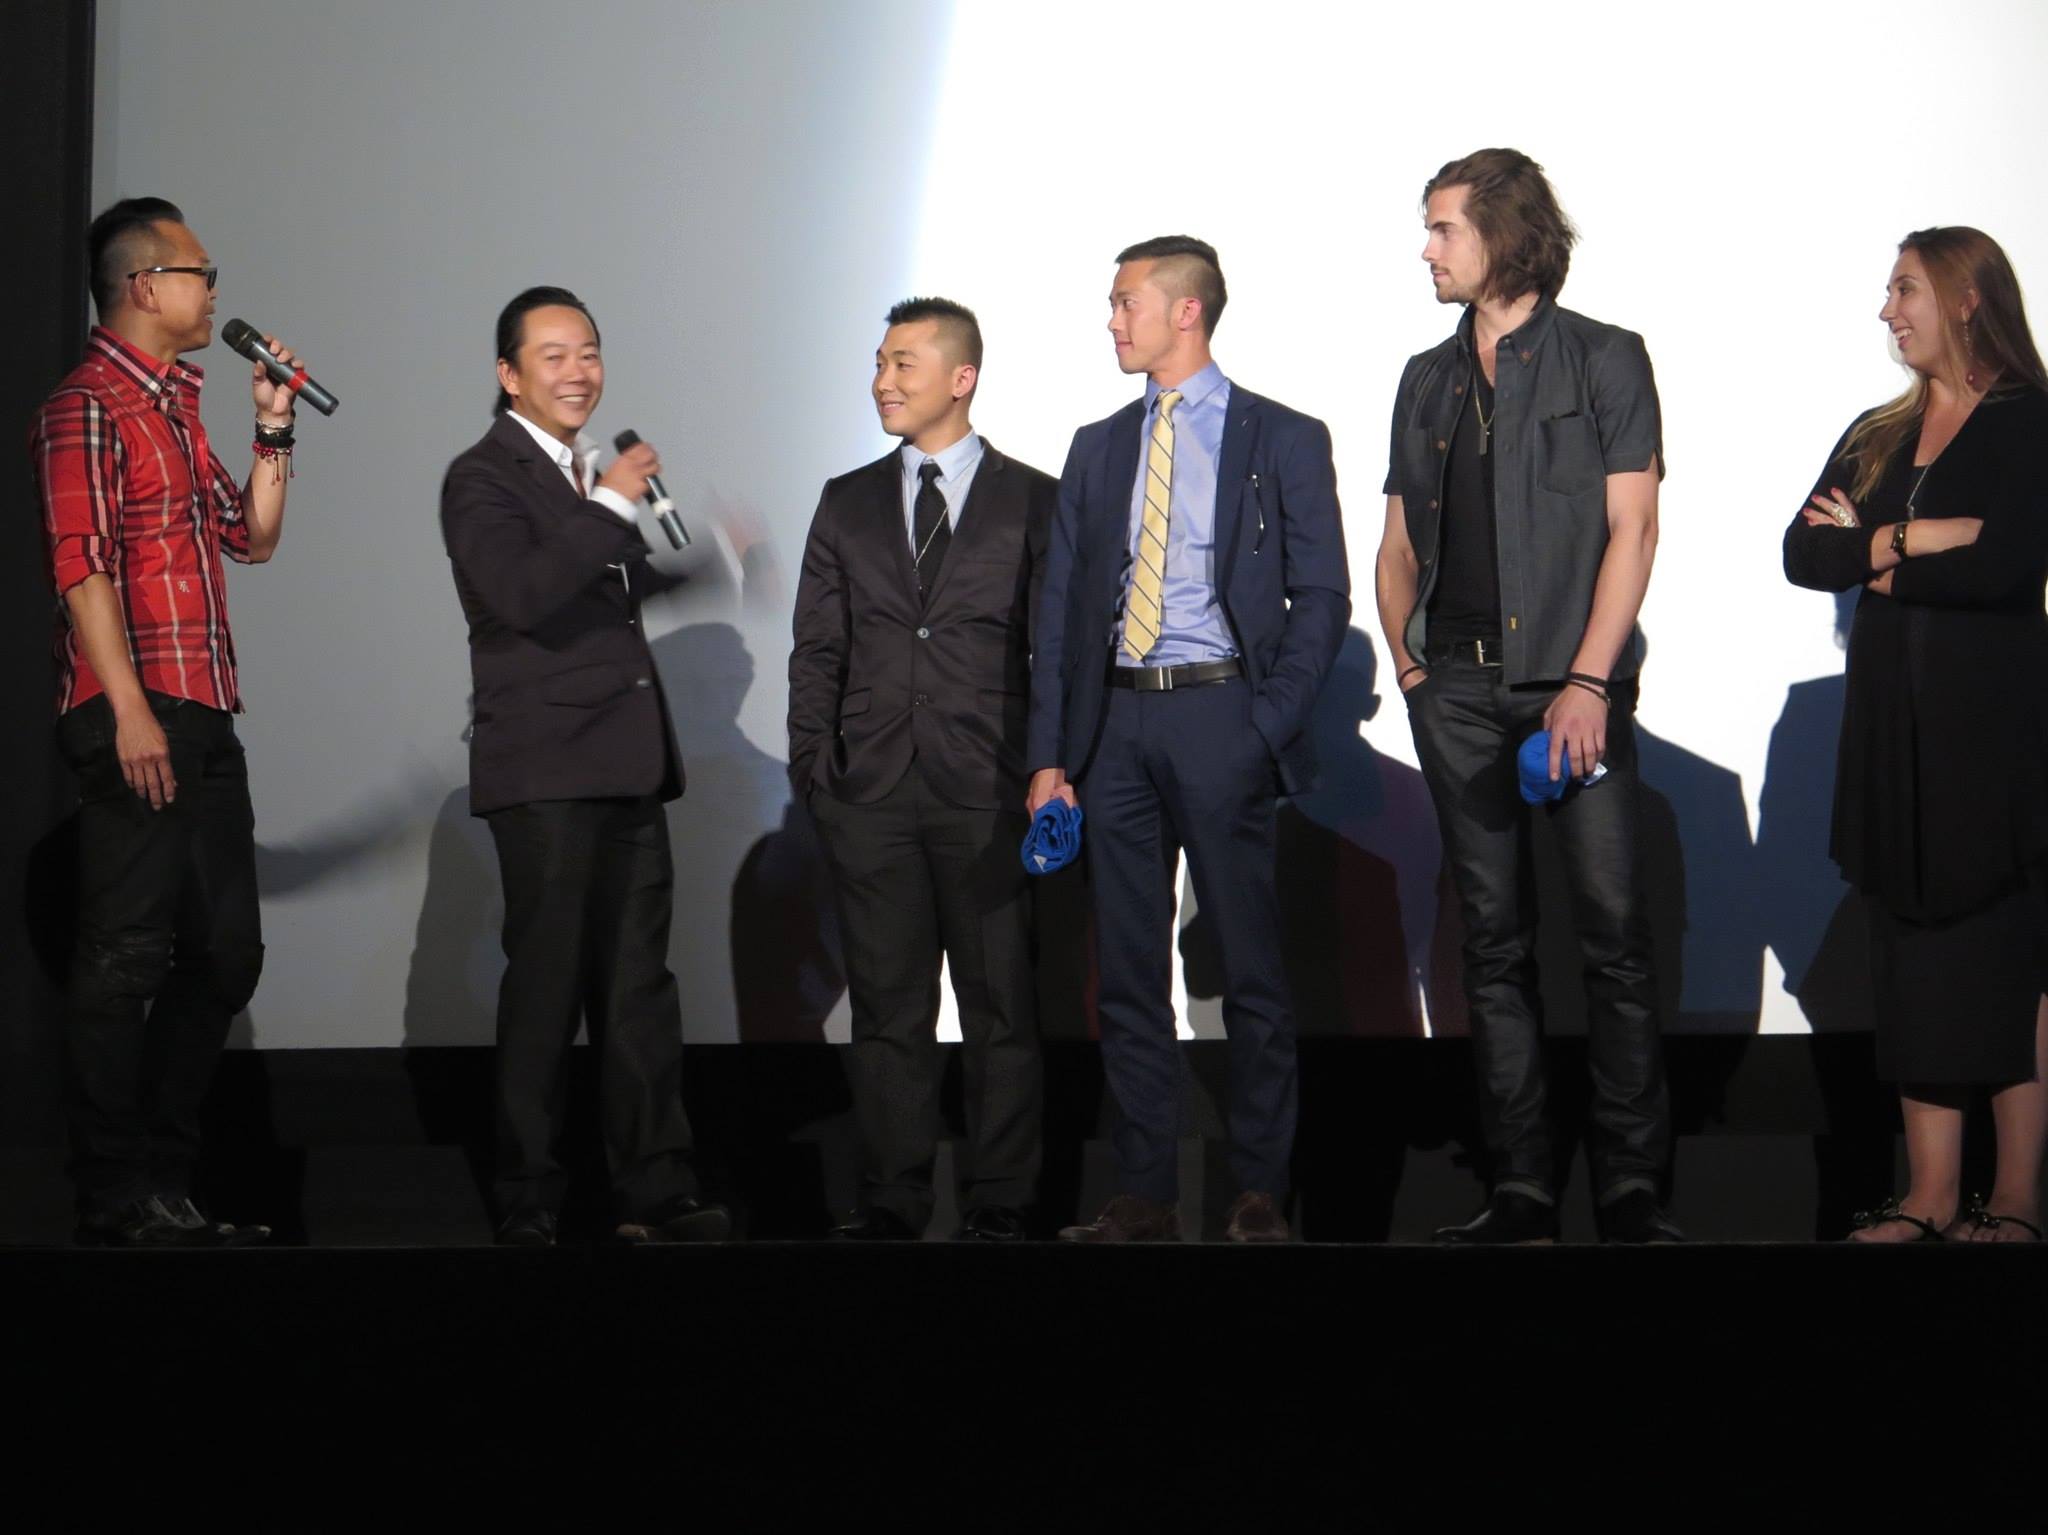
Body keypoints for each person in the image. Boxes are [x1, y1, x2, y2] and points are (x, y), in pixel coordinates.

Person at [1376, 149, 1681, 1243]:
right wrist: (1412, 675)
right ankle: (1520, 1185)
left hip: (1572, 685)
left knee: (1611, 937)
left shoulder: (1602, 358)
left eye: (1441, 228)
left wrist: (1589, 679)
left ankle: (1633, 1187)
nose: (1425, 249)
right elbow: (1397, 543)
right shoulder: (1426, 375)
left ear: (1502, 234)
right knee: (1491, 946)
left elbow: (1631, 529)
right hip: (1453, 691)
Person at [1029, 237, 1349, 1243]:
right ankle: (1143, 1192)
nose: (1111, 320)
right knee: (1126, 970)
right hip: (1113, 724)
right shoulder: (1095, 444)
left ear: (1185, 312)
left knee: (1248, 962)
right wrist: (1049, 754)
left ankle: (1257, 1189)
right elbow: (1059, 611)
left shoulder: (1281, 435)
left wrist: (1262, 722)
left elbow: (1322, 593)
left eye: (1125, 301)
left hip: (1218, 714)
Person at [31, 197, 306, 1246]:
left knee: (225, 953)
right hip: (131, 709)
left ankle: (163, 1178)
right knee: (124, 957)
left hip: (205, 706)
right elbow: (79, 568)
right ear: (144, 285)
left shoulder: (178, 407)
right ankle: (113, 1191)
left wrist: (271, 421)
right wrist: (130, 709)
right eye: (201, 271)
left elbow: (255, 536)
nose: (215, 290)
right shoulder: (86, 405)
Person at [440, 286, 729, 1246]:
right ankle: (529, 1194)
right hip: (548, 770)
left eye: (591, 352)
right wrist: (610, 503)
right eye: (555, 355)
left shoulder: (592, 473)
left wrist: (701, 553)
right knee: (548, 986)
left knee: (639, 986)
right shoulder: (481, 477)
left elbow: (614, 587)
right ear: (508, 373)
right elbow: (524, 594)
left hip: (628, 764)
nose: (579, 371)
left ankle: (656, 1186)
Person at [1784, 226, 2048, 1244]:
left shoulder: (2027, 424)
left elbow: (2005, 566)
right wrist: (1907, 538)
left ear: (1964, 297)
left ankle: (2016, 1194)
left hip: (1994, 739)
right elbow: (1803, 552)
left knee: (2004, 954)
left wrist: (1873, 552)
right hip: (1892, 735)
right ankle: (1928, 1192)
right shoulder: (1877, 432)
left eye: (1902, 289)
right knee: (1909, 960)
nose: (1885, 309)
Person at [788, 297, 1054, 1240]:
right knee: (889, 1014)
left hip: (990, 791)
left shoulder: (1036, 497)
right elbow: (817, 649)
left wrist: (1050, 766)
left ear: (961, 377)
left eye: (903, 364)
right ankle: (894, 1199)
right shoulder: (845, 499)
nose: (882, 382)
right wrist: (818, 773)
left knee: (1001, 1011)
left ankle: (1003, 1199)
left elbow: (1053, 652)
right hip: (871, 794)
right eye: (878, 364)